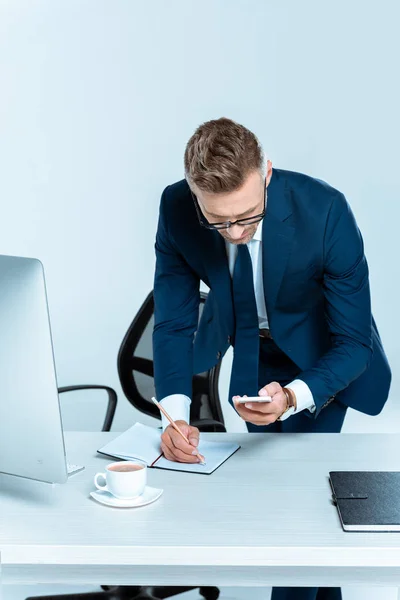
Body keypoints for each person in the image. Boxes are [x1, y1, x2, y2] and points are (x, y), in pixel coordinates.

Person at [152, 117, 391, 600]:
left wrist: (293, 397)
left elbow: (352, 342)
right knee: (277, 490)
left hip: (324, 355)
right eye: (218, 221)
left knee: (298, 509)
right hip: (251, 347)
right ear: (195, 195)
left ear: (266, 173)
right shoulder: (176, 208)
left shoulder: (325, 210)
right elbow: (175, 320)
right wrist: (173, 419)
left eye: (246, 216)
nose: (235, 232)